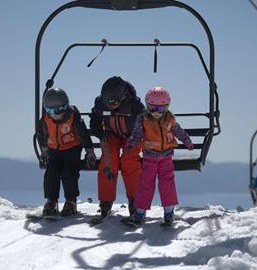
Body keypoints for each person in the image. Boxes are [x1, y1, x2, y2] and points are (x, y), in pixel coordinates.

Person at [124, 86, 194, 227]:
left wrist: (186, 140)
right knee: (146, 184)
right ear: (147, 106)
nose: (156, 112)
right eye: (152, 108)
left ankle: (169, 213)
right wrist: (132, 143)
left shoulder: (169, 119)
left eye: (161, 109)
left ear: (167, 107)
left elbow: (178, 131)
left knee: (167, 184)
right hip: (150, 157)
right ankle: (140, 213)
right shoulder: (142, 119)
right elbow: (137, 134)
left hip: (166, 157)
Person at [90, 76, 145, 217]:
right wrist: (99, 133)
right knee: (108, 159)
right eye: (106, 102)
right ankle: (106, 200)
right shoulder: (100, 104)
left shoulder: (135, 107)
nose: (109, 106)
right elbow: (95, 120)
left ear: (123, 97)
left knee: (129, 161)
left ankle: (135, 200)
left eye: (113, 102)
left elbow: (146, 125)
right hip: (111, 135)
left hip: (132, 136)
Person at [37, 88, 97, 217]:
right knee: (51, 172)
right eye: (49, 110)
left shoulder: (73, 118)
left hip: (72, 149)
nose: (53, 114)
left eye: (56, 111)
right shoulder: (46, 120)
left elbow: (83, 134)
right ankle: (51, 200)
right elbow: (41, 135)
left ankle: (71, 200)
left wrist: (89, 151)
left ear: (64, 107)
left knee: (68, 171)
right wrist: (44, 151)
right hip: (54, 150)